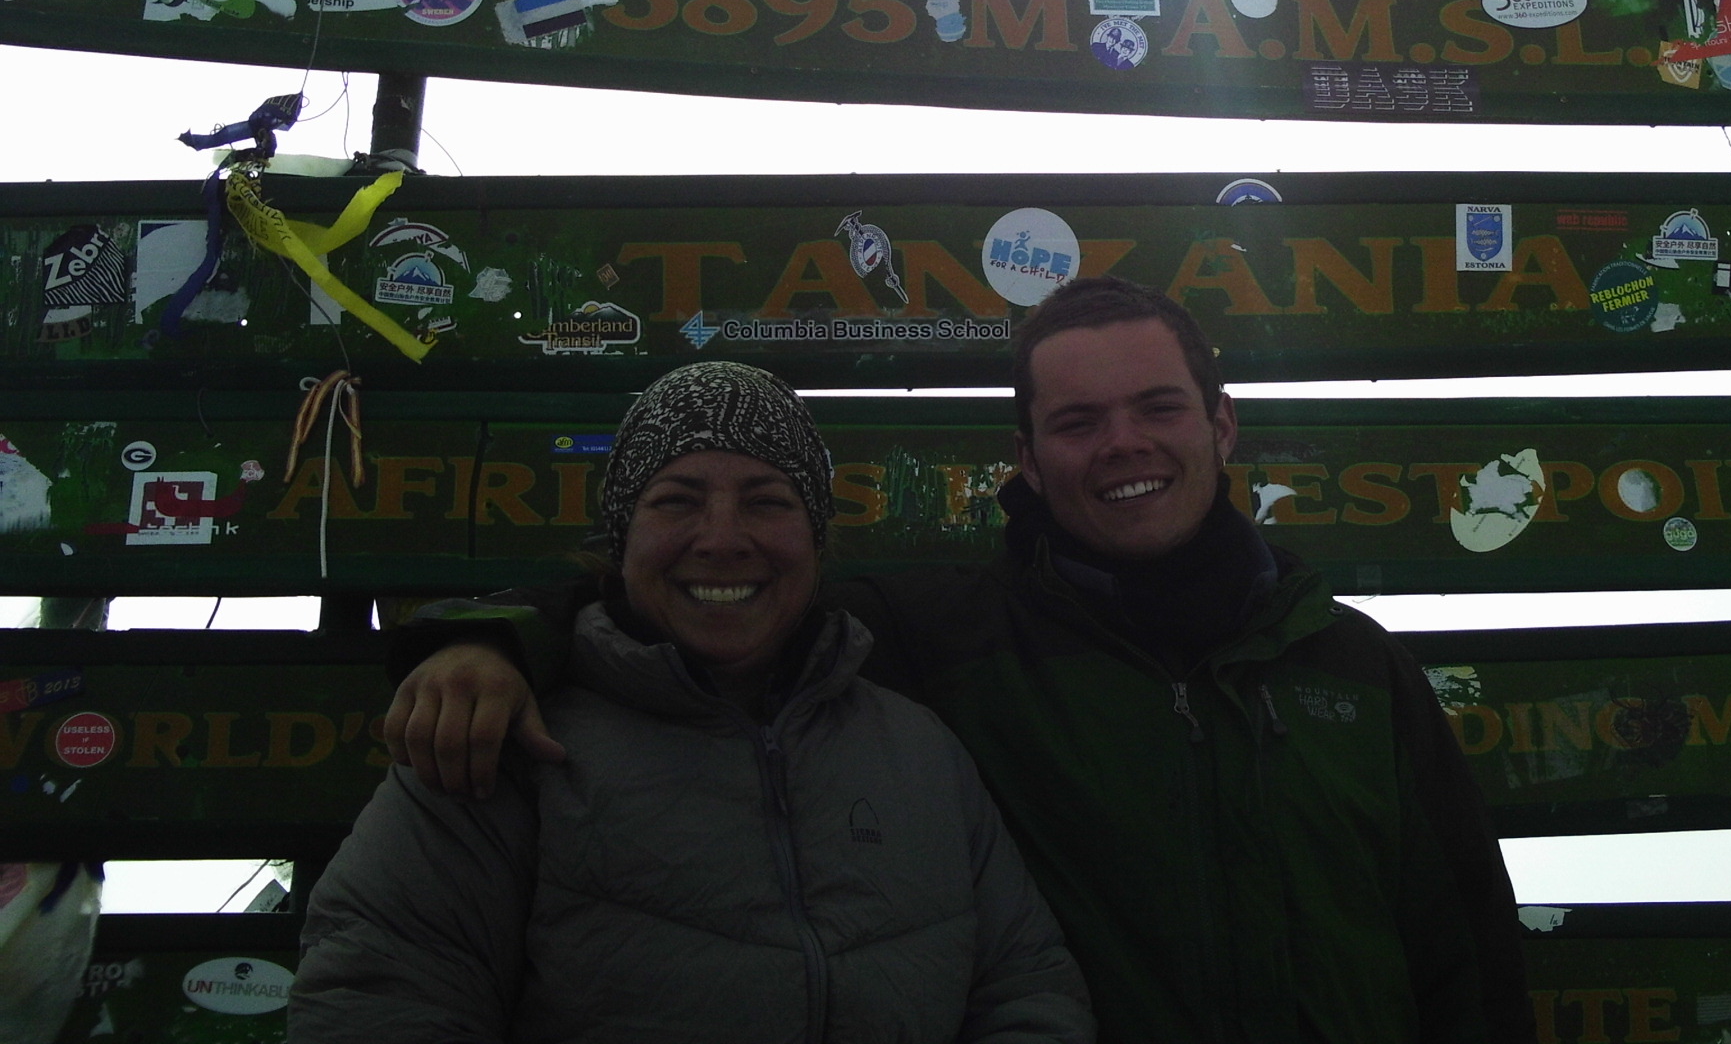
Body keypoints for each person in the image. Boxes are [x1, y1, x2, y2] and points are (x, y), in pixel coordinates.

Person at [384, 279, 1531, 1044]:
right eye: (1077, 423)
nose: (1122, 444)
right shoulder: (941, 640)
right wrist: (498, 637)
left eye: (1156, 408)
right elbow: (713, 584)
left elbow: (1466, 957)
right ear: (1024, 459)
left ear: (1219, 427)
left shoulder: (1349, 666)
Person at [294, 362, 1092, 1044]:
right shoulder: (501, 737)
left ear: (817, 542)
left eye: (767, 501)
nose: (721, 537)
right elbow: (379, 999)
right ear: (622, 535)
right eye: (676, 500)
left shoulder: (918, 749)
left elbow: (1026, 986)